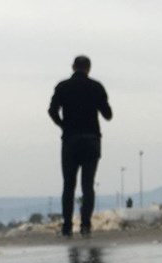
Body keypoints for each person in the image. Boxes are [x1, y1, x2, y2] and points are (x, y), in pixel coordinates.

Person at [48, 55, 113, 237]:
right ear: (89, 68)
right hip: (92, 139)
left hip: (70, 140)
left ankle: (67, 226)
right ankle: (85, 225)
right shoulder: (96, 87)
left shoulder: (62, 87)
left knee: (69, 185)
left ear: (73, 67)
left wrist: (62, 124)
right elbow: (108, 114)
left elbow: (52, 111)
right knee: (88, 185)